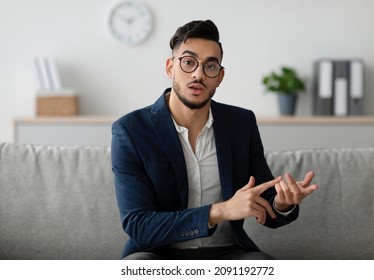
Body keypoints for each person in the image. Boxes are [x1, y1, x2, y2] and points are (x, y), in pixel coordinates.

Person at [111, 19, 318, 260]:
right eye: (188, 62)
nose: (198, 74)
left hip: (228, 254)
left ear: (219, 77)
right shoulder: (131, 130)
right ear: (170, 68)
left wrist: (283, 203)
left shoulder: (242, 124)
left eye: (210, 66)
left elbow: (265, 200)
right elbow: (139, 226)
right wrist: (220, 211)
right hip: (158, 254)